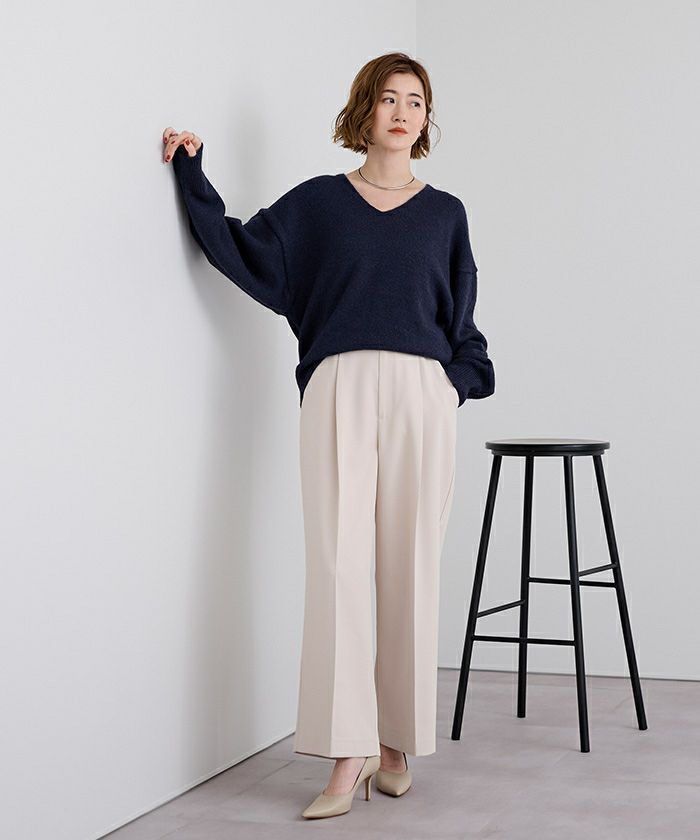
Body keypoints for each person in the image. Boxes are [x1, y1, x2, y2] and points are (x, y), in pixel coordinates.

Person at [163, 51, 495, 820]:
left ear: (426, 118)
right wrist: (191, 173)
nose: (403, 112)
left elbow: (463, 320)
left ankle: (395, 741)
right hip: (338, 386)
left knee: (410, 567)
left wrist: (451, 385)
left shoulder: (446, 214)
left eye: (416, 101)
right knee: (338, 566)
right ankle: (349, 751)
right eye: (389, 98)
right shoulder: (319, 204)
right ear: (364, 110)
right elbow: (242, 251)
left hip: (421, 392)